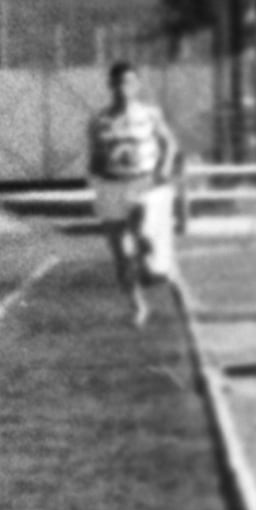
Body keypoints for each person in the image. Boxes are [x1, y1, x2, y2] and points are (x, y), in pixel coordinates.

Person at [88, 58, 186, 328]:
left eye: (129, 82)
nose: (123, 87)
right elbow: (94, 158)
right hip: (110, 186)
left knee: (142, 232)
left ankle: (151, 262)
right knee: (120, 252)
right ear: (110, 85)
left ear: (137, 85)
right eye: (118, 82)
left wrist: (164, 168)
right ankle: (138, 306)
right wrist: (98, 179)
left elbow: (170, 143)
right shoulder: (99, 120)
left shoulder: (150, 114)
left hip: (142, 184)